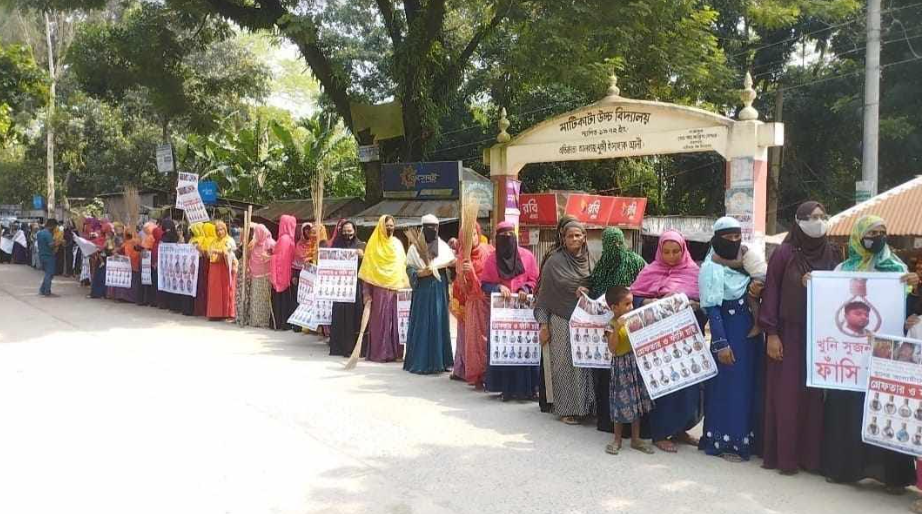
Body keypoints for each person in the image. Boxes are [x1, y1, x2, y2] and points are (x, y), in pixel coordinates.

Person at [823, 214, 918, 492]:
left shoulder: (898, 269)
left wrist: (913, 290)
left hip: (883, 358)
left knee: (885, 408)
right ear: (859, 235)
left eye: (882, 231)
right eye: (872, 231)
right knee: (847, 408)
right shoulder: (843, 269)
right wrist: (813, 283)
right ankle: (844, 469)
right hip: (848, 357)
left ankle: (893, 477)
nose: (877, 236)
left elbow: (908, 309)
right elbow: (830, 305)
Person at [759, 201, 839, 475]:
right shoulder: (784, 254)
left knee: (815, 398)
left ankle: (811, 458)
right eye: (811, 217)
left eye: (822, 216)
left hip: (821, 337)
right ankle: (786, 458)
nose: (818, 221)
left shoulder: (832, 252)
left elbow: (843, 292)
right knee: (787, 397)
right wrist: (772, 334)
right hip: (788, 334)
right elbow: (770, 294)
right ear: (798, 220)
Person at [630, 230, 703, 452]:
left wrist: (694, 305)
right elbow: (632, 297)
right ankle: (660, 432)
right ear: (660, 252)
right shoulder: (649, 271)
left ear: (683, 250)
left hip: (684, 341)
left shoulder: (694, 272)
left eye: (676, 251)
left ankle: (681, 428)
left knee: (687, 385)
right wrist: (647, 301)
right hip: (658, 342)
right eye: (667, 252)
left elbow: (704, 301)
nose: (671, 256)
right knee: (663, 385)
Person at [698, 217, 763, 463]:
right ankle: (725, 441)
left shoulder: (746, 264)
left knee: (747, 386)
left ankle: (747, 439)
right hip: (729, 334)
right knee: (729, 388)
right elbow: (712, 309)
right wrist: (721, 344)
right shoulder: (710, 269)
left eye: (737, 237)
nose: (734, 242)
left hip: (750, 336)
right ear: (716, 239)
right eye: (728, 238)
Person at [535, 219, 595, 425]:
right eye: (570, 236)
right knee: (564, 366)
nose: (575, 239)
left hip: (584, 321)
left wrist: (589, 291)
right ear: (563, 238)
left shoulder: (591, 260)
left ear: (584, 237)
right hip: (560, 321)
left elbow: (597, 286)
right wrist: (543, 325)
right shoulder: (554, 261)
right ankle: (566, 409)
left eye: (578, 235)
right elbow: (543, 295)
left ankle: (585, 408)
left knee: (584, 365)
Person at [589, 227, 646, 433]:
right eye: (610, 244)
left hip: (631, 326)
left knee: (633, 384)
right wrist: (584, 288)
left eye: (618, 243)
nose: (615, 248)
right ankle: (608, 424)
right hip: (607, 325)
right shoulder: (602, 265)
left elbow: (644, 285)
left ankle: (636, 431)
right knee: (607, 379)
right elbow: (592, 283)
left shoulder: (636, 262)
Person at [482, 222, 540, 400]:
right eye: (503, 236)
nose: (507, 239)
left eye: (510, 235)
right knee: (505, 347)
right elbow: (484, 283)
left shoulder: (527, 256)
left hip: (523, 313)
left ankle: (528, 389)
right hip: (503, 316)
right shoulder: (491, 259)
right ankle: (505, 388)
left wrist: (526, 288)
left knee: (524, 346)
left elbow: (535, 279)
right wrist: (498, 287)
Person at [604, 285, 654, 455]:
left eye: (632, 304)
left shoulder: (634, 319)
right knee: (621, 402)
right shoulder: (610, 326)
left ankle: (635, 439)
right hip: (621, 366)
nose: (631, 307)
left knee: (636, 401)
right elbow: (612, 348)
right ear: (614, 308)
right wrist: (617, 328)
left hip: (635, 363)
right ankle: (617, 439)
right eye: (627, 304)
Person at [404, 215, 456, 375]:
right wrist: (420, 274)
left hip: (439, 290)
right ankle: (419, 361)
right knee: (422, 323)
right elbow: (409, 269)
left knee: (439, 323)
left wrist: (451, 267)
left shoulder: (443, 247)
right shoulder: (414, 248)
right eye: (428, 227)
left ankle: (440, 361)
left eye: (434, 227)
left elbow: (451, 270)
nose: (432, 230)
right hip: (422, 291)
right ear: (422, 228)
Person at [358, 215, 409, 363]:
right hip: (379, 291)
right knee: (379, 323)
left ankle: (396, 353)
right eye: (387, 225)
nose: (390, 228)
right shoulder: (374, 245)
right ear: (381, 227)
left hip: (396, 289)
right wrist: (367, 293)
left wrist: (406, 287)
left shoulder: (398, 244)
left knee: (396, 323)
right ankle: (379, 354)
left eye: (392, 225)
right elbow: (368, 271)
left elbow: (403, 266)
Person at [452, 223, 493, 387]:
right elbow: (463, 288)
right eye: (469, 237)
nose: (473, 239)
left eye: (475, 234)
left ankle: (490, 374)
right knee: (474, 341)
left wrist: (474, 273)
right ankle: (478, 376)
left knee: (489, 338)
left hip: (488, 301)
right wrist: (464, 273)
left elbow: (490, 279)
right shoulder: (462, 257)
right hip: (472, 303)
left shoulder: (488, 252)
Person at [328, 220, 368, 357]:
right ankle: (338, 347)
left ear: (355, 231)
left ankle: (354, 348)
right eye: (344, 231)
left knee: (354, 316)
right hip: (339, 288)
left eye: (350, 231)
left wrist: (361, 255)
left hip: (355, 287)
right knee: (339, 315)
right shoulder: (335, 246)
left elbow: (369, 262)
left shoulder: (361, 245)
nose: (347, 234)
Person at [241, 223, 275, 328]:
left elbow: (276, 255)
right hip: (255, 274)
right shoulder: (254, 243)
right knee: (255, 297)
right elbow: (248, 253)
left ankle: (263, 321)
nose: (256, 235)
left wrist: (268, 257)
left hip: (266, 274)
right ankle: (254, 320)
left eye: (258, 232)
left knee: (264, 298)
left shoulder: (271, 243)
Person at [271, 215, 298, 330]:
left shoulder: (284, 239)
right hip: (287, 275)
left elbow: (279, 259)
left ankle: (280, 323)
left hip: (282, 275)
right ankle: (284, 323)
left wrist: (270, 256)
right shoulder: (289, 239)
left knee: (281, 300)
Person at [207, 220, 237, 320]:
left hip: (225, 267)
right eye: (218, 230)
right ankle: (215, 313)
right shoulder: (214, 241)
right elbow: (209, 251)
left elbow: (228, 251)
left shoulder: (229, 240)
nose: (220, 232)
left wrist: (217, 251)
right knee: (215, 290)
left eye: (221, 229)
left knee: (226, 289)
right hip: (214, 267)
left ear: (225, 229)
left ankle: (226, 313)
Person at [37, 219, 59, 297]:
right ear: (52, 225)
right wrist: (58, 242)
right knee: (49, 274)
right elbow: (51, 245)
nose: (55, 228)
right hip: (49, 255)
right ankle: (47, 291)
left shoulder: (40, 233)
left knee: (47, 273)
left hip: (42, 254)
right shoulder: (48, 234)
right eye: (55, 226)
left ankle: (42, 290)